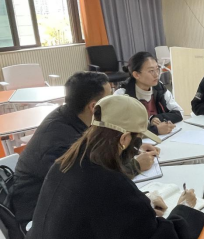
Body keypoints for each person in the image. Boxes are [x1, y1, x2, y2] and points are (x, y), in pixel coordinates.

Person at [25, 95, 204, 239]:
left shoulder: (65, 164)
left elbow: (98, 214)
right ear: (124, 139)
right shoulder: (109, 183)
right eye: (137, 140)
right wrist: (185, 210)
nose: (137, 147)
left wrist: (143, 204)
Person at [11, 72, 160, 230]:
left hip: (67, 204)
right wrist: (135, 166)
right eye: (109, 98)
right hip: (40, 218)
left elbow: (99, 156)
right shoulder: (59, 141)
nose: (114, 102)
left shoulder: (74, 116)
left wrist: (130, 147)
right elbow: (93, 185)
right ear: (94, 107)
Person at [115, 51, 184, 136]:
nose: (156, 75)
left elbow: (179, 113)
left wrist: (157, 118)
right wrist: (155, 130)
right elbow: (120, 129)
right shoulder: (122, 95)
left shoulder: (159, 88)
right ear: (136, 75)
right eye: (151, 71)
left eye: (157, 69)